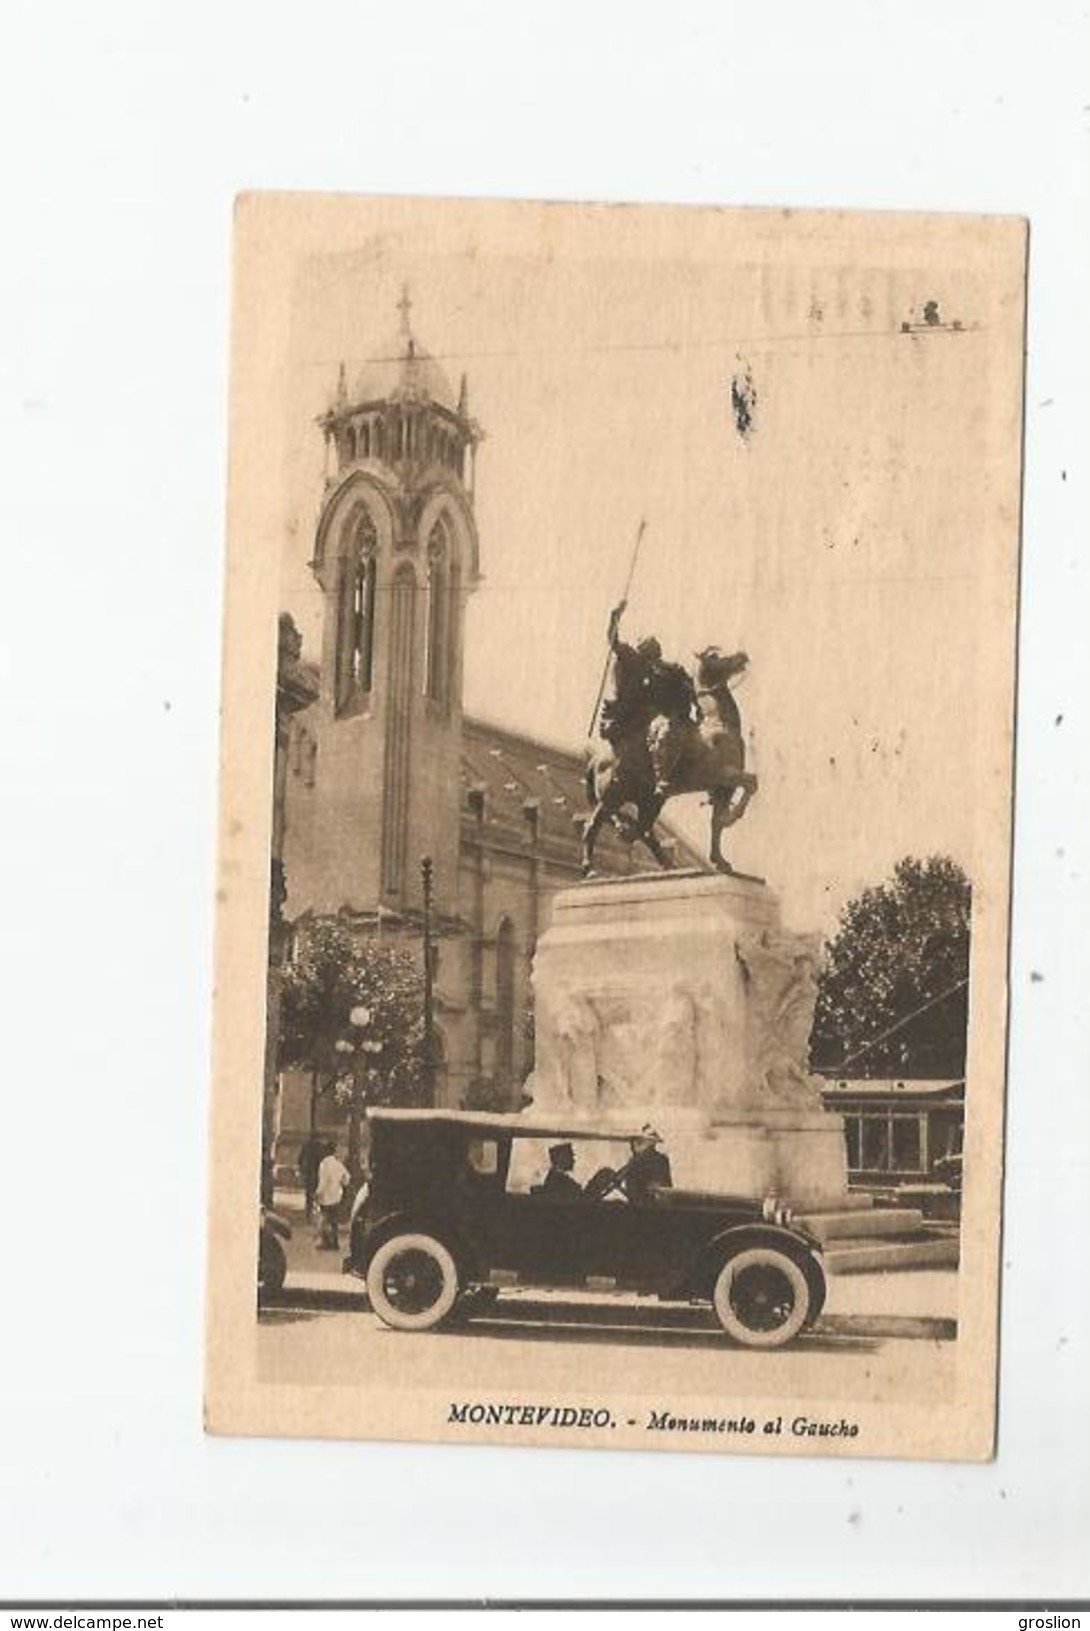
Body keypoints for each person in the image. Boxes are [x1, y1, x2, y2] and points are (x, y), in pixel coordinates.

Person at [621, 1125, 673, 1204]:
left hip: (646, 1206)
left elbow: (662, 1187)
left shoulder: (638, 1161)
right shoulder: (662, 1159)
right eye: (633, 1141)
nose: (632, 1145)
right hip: (648, 1205)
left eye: (638, 1141)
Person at [315, 1142, 350, 1249]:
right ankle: (335, 1242)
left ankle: (325, 1242)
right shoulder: (338, 1164)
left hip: (325, 1197)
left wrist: (318, 1193)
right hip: (336, 1196)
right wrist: (340, 1184)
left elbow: (323, 1181)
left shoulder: (324, 1164)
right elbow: (347, 1179)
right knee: (334, 1221)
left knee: (325, 1219)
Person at [297, 1132, 324, 1221]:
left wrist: (301, 1169)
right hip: (317, 1173)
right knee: (317, 1193)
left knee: (309, 1194)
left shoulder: (306, 1146)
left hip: (309, 1173)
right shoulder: (320, 1147)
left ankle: (309, 1213)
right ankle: (315, 1212)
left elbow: (300, 1159)